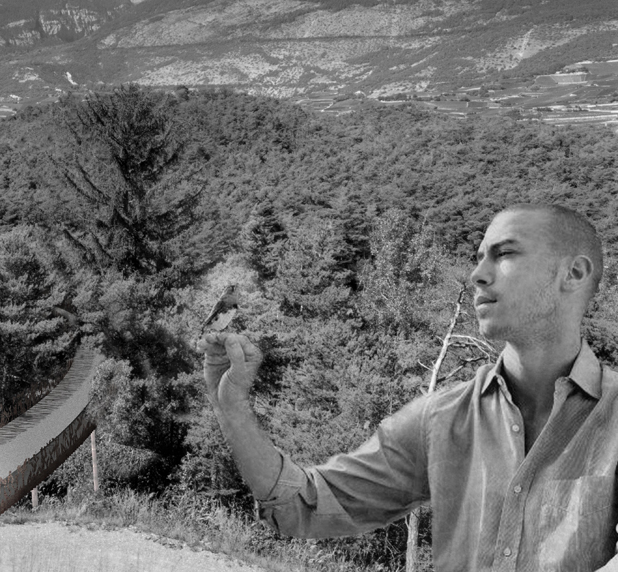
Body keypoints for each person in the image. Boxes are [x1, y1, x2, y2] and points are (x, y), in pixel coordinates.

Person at [200, 203, 618, 570]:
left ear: (574, 273)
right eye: (477, 258)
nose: (477, 275)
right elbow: (302, 506)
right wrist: (232, 406)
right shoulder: (440, 419)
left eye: (504, 254)